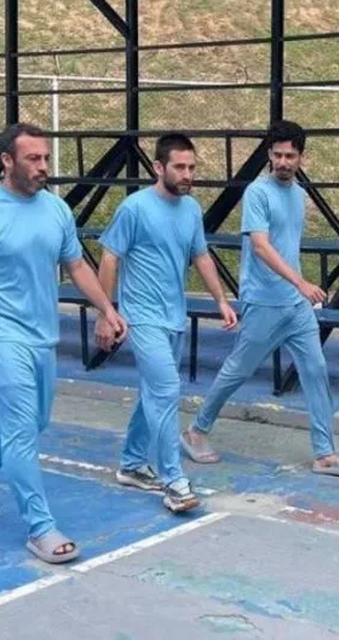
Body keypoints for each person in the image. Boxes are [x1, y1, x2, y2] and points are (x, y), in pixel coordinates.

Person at [0, 123, 125, 564]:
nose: (43, 167)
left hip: (41, 335)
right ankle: (40, 528)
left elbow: (77, 266)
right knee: (22, 427)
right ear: (7, 161)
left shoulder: (56, 210)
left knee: (34, 422)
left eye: (45, 158)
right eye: (33, 159)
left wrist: (106, 308)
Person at [181, 120, 339, 478]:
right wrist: (301, 282)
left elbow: (287, 245)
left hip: (295, 307)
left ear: (302, 158)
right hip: (264, 301)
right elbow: (261, 247)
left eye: (290, 156)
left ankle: (325, 454)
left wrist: (298, 289)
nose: (282, 162)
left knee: (316, 370)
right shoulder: (257, 193)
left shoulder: (299, 194)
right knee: (238, 370)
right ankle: (196, 431)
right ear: (269, 155)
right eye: (277, 155)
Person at [94, 132, 237, 513]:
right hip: (141, 318)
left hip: (174, 317)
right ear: (159, 167)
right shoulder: (134, 208)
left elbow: (201, 255)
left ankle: (131, 464)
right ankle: (174, 480)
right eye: (179, 167)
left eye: (191, 167)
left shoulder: (191, 210)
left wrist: (221, 301)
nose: (187, 174)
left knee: (154, 394)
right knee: (167, 390)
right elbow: (109, 258)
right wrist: (106, 313)